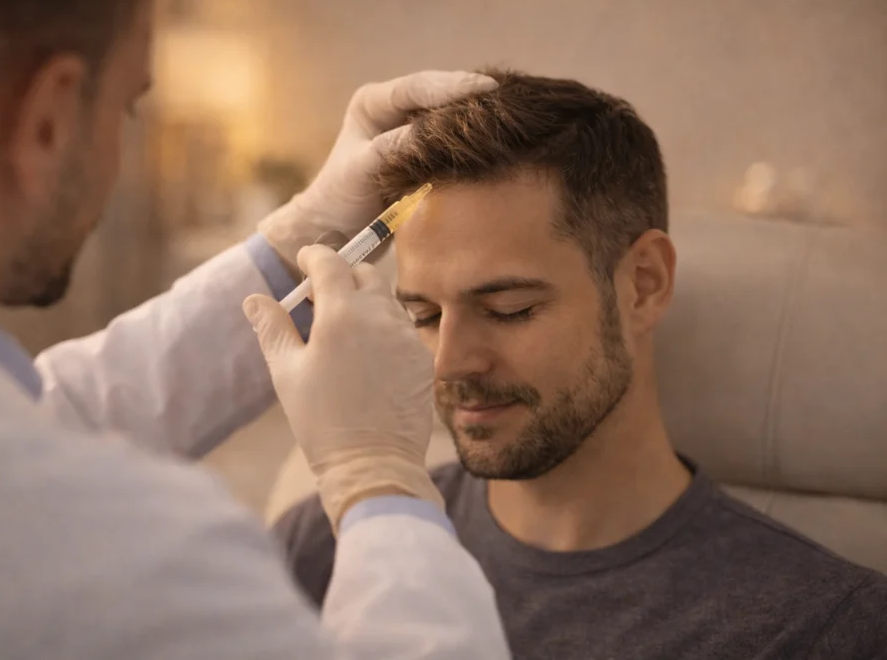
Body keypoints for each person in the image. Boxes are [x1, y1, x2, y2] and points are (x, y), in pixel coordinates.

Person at [0, 0, 512, 658]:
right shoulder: (151, 569)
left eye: (512, 308)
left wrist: (300, 232)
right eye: (129, 107)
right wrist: (378, 475)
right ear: (47, 120)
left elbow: (54, 410)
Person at [273, 70, 887, 659]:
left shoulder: (824, 628)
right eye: (424, 317)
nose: (448, 364)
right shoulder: (331, 541)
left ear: (643, 284)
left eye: (509, 309)